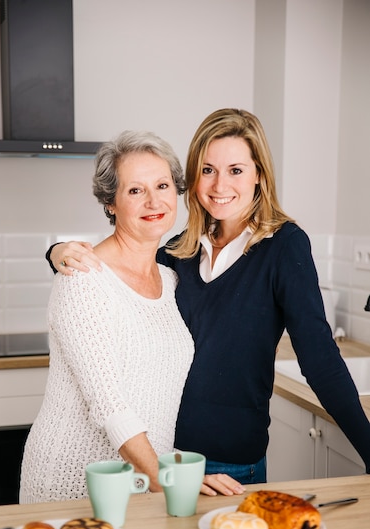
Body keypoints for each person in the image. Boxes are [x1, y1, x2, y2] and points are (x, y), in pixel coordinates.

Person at [46, 108, 370, 489]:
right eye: (207, 170)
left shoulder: (283, 247)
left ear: (259, 176)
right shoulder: (177, 253)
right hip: (157, 456)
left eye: (236, 170)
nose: (220, 185)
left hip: (230, 462)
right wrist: (56, 252)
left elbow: (320, 360)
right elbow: (112, 272)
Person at [20, 130, 198, 503]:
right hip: (73, 486)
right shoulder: (83, 278)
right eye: (135, 190)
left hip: (142, 484)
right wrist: (169, 482)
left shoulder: (171, 279)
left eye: (163, 185)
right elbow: (110, 405)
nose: (154, 200)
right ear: (111, 202)